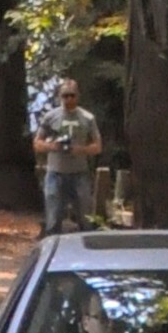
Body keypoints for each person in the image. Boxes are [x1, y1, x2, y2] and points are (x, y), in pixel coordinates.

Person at [38, 77, 102, 234]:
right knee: (53, 217)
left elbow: (97, 147)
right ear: (60, 96)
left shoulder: (88, 118)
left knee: (85, 217)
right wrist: (52, 146)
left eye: (72, 95)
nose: (69, 99)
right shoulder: (50, 117)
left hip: (79, 173)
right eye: (65, 95)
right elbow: (37, 143)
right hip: (55, 172)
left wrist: (80, 149)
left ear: (77, 96)